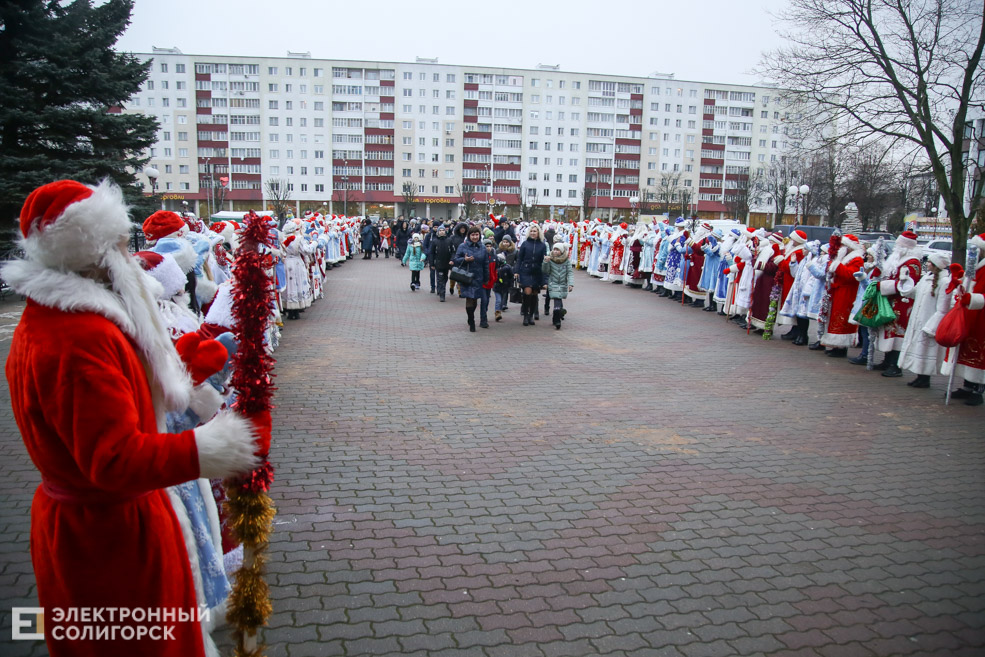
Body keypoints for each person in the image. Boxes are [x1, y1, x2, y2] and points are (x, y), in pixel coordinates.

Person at [2, 179, 264, 657]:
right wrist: (211, 448)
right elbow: (113, 458)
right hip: (112, 538)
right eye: (121, 242)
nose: (130, 252)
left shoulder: (65, 321)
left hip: (103, 525)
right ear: (93, 252)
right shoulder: (78, 337)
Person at [941, 233, 985, 406]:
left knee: (978, 354)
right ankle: (967, 385)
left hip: (981, 318)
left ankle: (978, 389)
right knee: (965, 350)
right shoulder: (974, 268)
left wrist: (973, 299)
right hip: (968, 315)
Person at [897, 252, 951, 388]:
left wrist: (932, 326)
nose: (927, 264)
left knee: (926, 350)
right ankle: (920, 376)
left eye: (930, 262)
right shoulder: (926, 278)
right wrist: (904, 281)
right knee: (918, 348)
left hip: (929, 320)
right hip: (918, 318)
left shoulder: (944, 282)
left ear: (936, 265)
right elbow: (914, 292)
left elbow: (943, 308)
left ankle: (925, 378)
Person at [452, 225, 489, 332]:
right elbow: (456, 259)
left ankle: (471, 316)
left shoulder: (482, 248)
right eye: (472, 235)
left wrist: (486, 278)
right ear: (469, 236)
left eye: (476, 235)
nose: (474, 237)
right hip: (466, 277)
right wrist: (465, 259)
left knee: (475, 299)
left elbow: (486, 264)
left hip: (478, 277)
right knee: (469, 298)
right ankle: (471, 320)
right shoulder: (462, 246)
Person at [516, 223, 548, 326]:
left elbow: (544, 261)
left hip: (537, 271)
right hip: (526, 270)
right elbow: (519, 258)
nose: (533, 233)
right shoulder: (525, 244)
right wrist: (516, 271)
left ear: (539, 233)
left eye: (535, 231)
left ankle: (531, 315)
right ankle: (525, 315)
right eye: (532, 231)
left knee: (534, 294)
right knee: (527, 292)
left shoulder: (542, 245)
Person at [542, 240, 575, 329]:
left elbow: (570, 273)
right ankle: (557, 319)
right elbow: (545, 271)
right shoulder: (550, 259)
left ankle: (556, 316)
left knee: (558, 300)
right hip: (553, 283)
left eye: (557, 250)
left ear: (561, 251)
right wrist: (545, 262)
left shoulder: (566, 261)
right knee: (557, 300)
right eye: (554, 249)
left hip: (563, 283)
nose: (555, 251)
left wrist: (571, 284)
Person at [428, 224, 455, 302]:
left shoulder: (449, 240)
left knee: (445, 278)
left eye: (443, 230)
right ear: (438, 232)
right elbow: (431, 253)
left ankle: (440, 288)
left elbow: (453, 251)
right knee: (440, 279)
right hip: (438, 263)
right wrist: (432, 263)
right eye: (440, 230)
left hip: (447, 263)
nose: (442, 232)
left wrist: (452, 259)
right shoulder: (435, 241)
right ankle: (442, 295)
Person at [479, 238, 497, 328]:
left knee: (487, 301)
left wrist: (494, 278)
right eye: (487, 246)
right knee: (484, 300)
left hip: (490, 282)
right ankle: (483, 319)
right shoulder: (481, 256)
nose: (488, 248)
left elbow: (495, 269)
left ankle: (484, 313)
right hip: (482, 281)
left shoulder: (494, 256)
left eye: (490, 246)